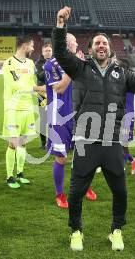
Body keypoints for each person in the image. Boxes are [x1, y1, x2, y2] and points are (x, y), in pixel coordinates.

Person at [53, 6, 135, 252]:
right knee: (76, 192)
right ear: (91, 49)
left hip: (113, 140)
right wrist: (61, 25)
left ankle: (116, 230)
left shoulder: (122, 73)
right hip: (85, 139)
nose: (101, 46)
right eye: (97, 43)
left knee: (120, 191)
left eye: (104, 42)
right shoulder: (79, 68)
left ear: (110, 48)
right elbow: (60, 52)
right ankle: (76, 231)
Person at [44, 33, 97, 209]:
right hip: (59, 117)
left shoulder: (79, 63)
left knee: (84, 155)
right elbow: (59, 89)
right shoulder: (50, 64)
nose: (77, 46)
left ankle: (85, 187)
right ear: (67, 45)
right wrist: (72, 69)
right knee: (61, 158)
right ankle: (60, 194)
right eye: (74, 44)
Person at [1, 36, 45, 189]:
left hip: (27, 107)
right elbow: (16, 85)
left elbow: (30, 83)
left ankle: (20, 173)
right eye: (31, 46)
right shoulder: (9, 63)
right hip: (13, 108)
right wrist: (38, 88)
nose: (33, 49)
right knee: (13, 143)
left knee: (23, 143)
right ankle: (9, 176)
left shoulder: (31, 63)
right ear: (25, 45)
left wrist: (41, 94)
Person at [34, 43, 51, 150]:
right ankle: (43, 142)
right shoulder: (38, 63)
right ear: (42, 52)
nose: (48, 52)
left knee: (55, 119)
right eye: (46, 51)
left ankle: (53, 141)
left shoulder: (56, 62)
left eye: (49, 50)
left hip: (55, 94)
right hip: (43, 95)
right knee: (43, 119)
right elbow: (40, 76)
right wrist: (48, 67)